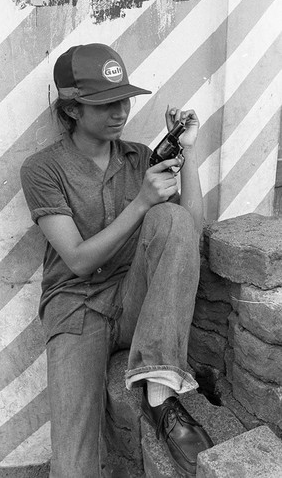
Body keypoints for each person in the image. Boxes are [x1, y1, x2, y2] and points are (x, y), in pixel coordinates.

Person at [20, 43, 213, 478]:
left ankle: (160, 394)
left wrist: (188, 153)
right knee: (73, 461)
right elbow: (78, 260)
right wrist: (142, 201)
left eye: (123, 98)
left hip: (133, 299)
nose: (120, 111)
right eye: (105, 103)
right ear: (71, 110)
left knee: (171, 218)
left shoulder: (139, 157)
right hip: (76, 311)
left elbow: (189, 229)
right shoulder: (42, 169)